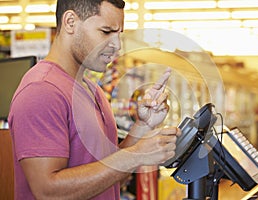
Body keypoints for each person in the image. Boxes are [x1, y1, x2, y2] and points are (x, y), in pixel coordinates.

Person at [8, 0, 181, 199]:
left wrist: (143, 126)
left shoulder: (91, 90)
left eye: (119, 34)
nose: (117, 46)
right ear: (71, 22)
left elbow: (111, 174)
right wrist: (136, 155)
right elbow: (48, 192)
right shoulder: (42, 90)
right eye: (106, 32)